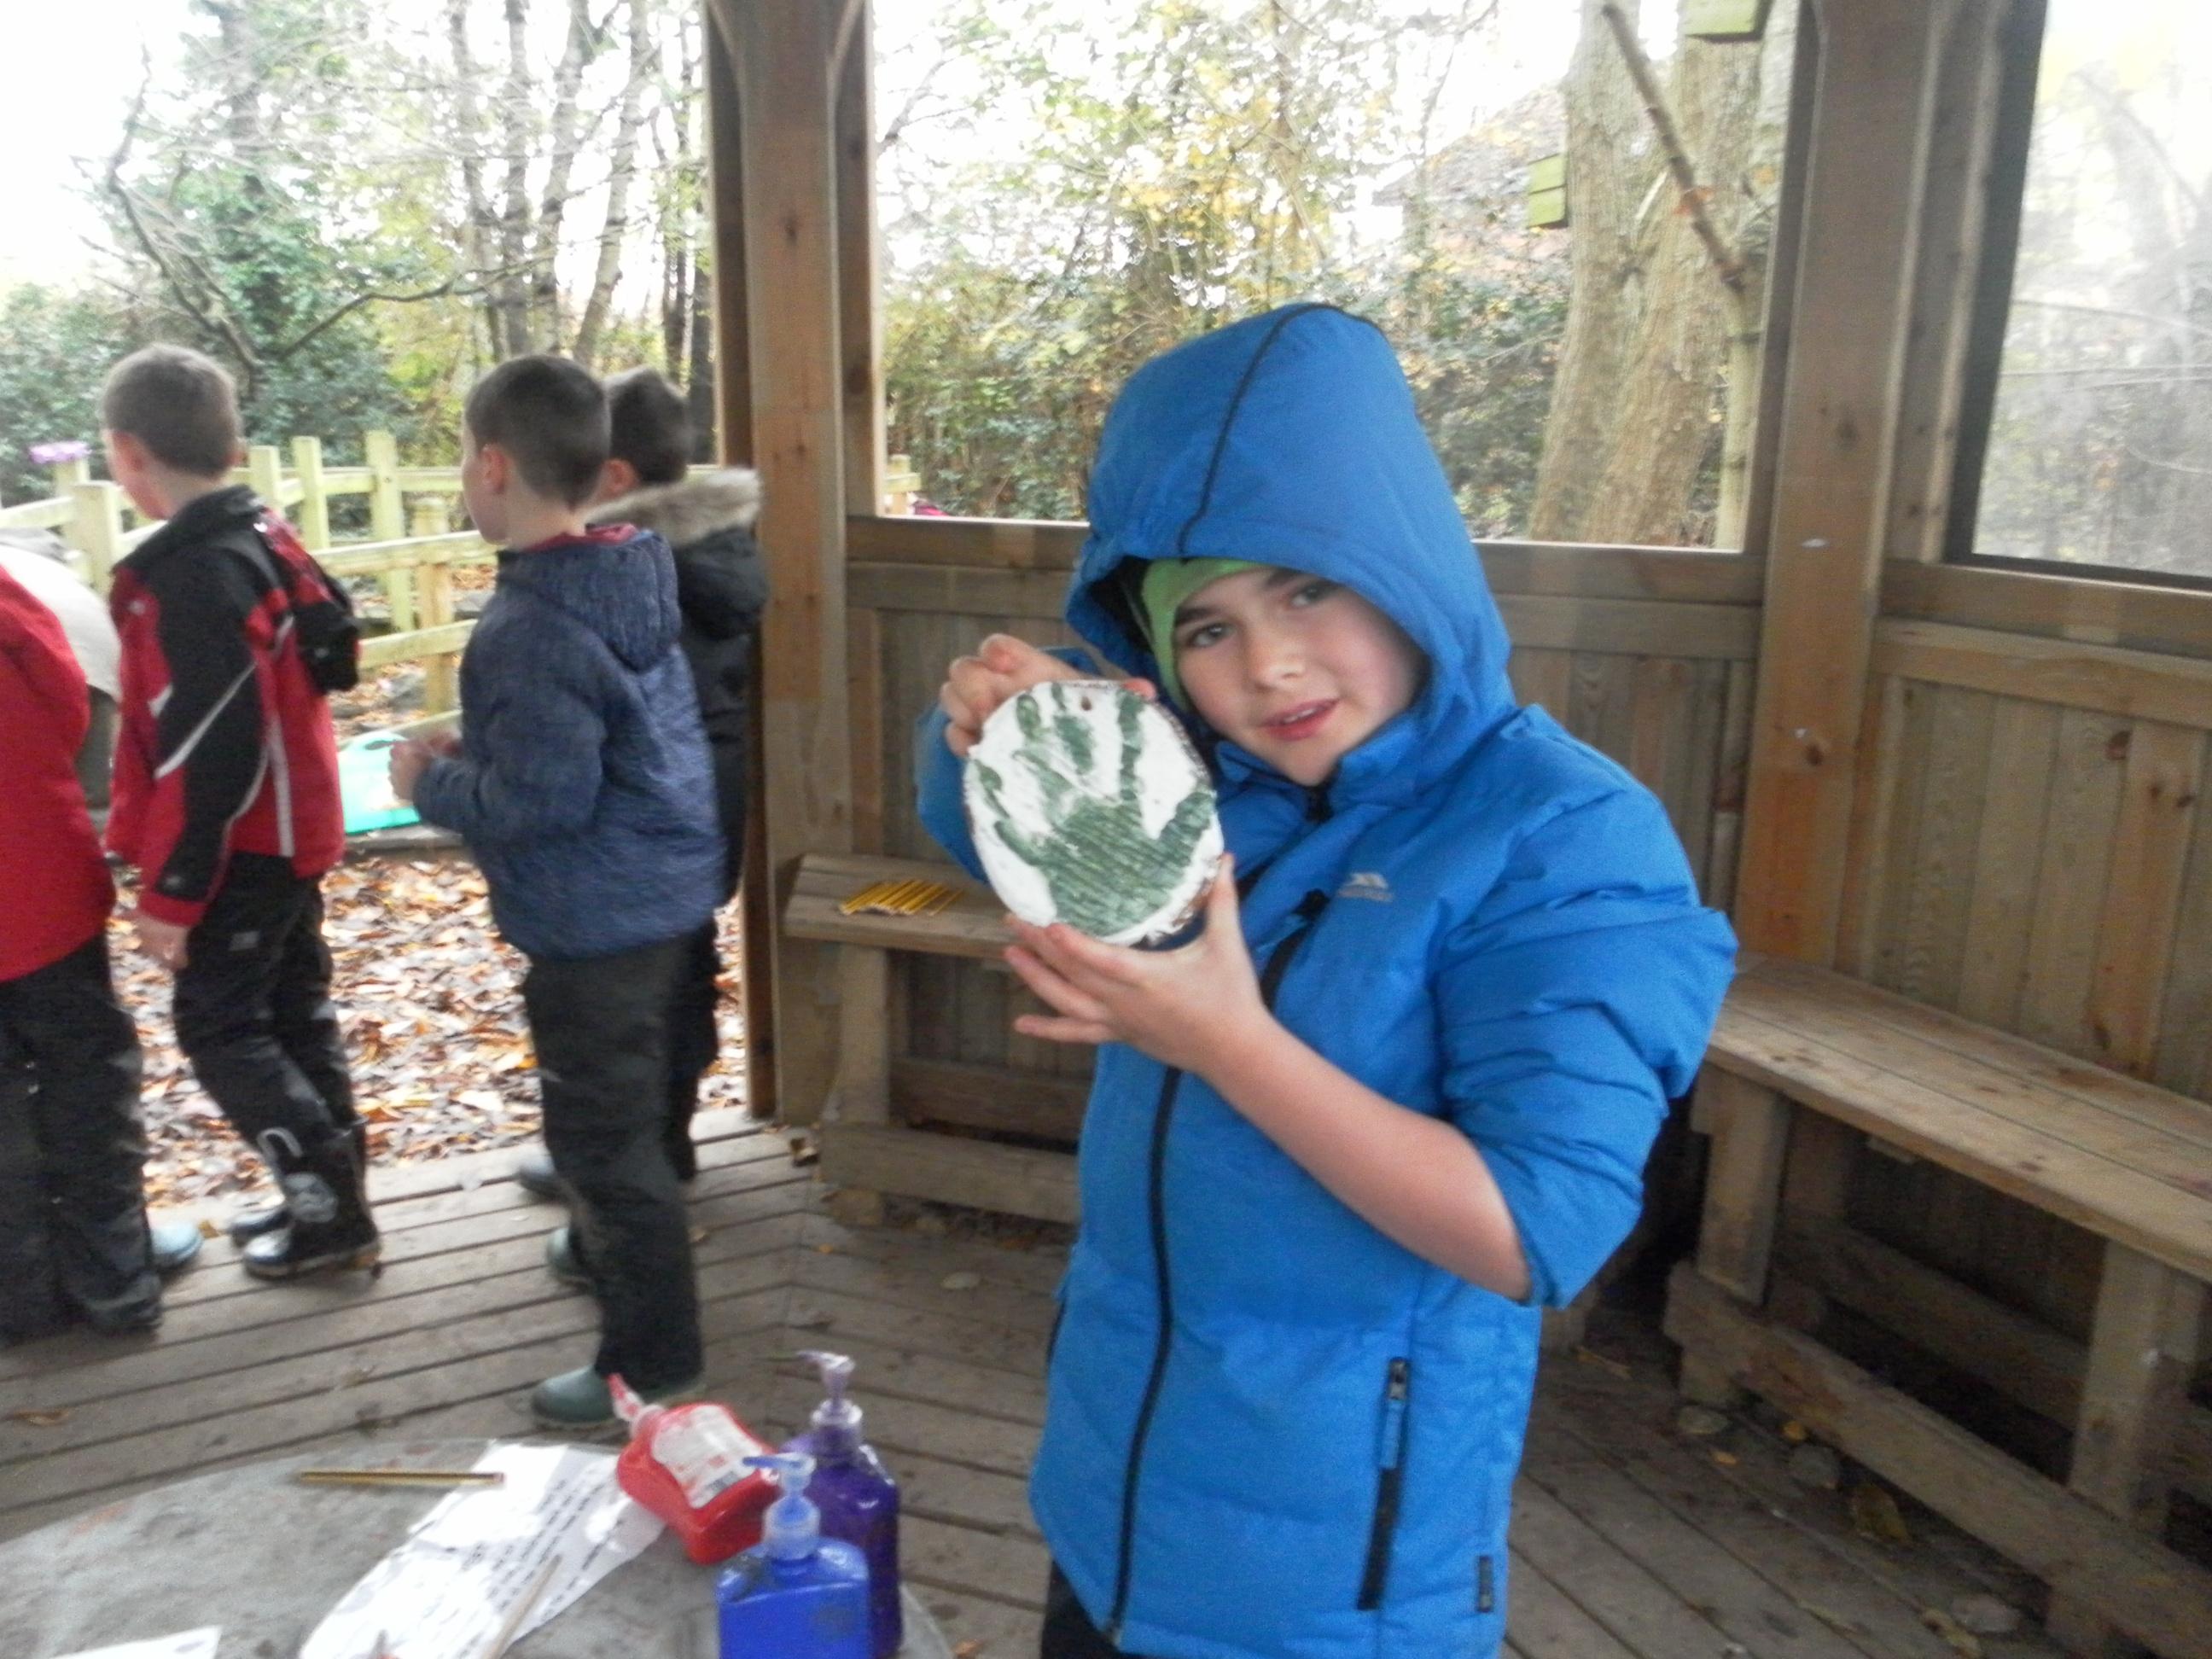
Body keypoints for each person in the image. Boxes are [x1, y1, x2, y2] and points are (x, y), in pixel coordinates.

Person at [917, 305, 1737, 1658]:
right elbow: (984, 828)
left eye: (1307, 590)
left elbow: (1535, 1229)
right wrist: (1002, 727)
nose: (1268, 666)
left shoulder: (1563, 835)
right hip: (1114, 1503)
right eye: (1207, 627)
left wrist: (1229, 1044)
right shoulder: (1203, 786)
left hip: (1334, 1585)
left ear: (1407, 568)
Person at [391, 354, 725, 1427]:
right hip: (660, 891)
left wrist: (428, 782)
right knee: (628, 1111)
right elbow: (604, 745)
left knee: (601, 1144)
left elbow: (541, 803)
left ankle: (652, 1364)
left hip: (594, 921)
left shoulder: (529, 625)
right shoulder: (629, 572)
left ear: (494, 467)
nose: (464, 476)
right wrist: (487, 747)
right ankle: (598, 1252)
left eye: (462, 459)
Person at [101, 345, 375, 1281]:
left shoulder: (194, 576)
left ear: (128, 452)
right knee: (292, 1014)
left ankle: (328, 1212)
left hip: (245, 848)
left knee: (221, 1030)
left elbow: (211, 751)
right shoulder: (262, 535)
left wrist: (173, 894)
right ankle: (335, 1200)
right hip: (293, 837)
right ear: (229, 445)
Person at [510, 366, 765, 1211]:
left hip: (642, 811)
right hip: (708, 798)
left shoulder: (620, 569)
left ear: (613, 476)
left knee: (618, 994)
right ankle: (667, 1146)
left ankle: (623, 1176)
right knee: (682, 965)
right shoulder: (717, 552)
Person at [0, 562, 202, 1343]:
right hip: (34, 880)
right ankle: (113, 1276)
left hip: (34, 883)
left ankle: (20, 1296)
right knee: (85, 1080)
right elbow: (68, 700)